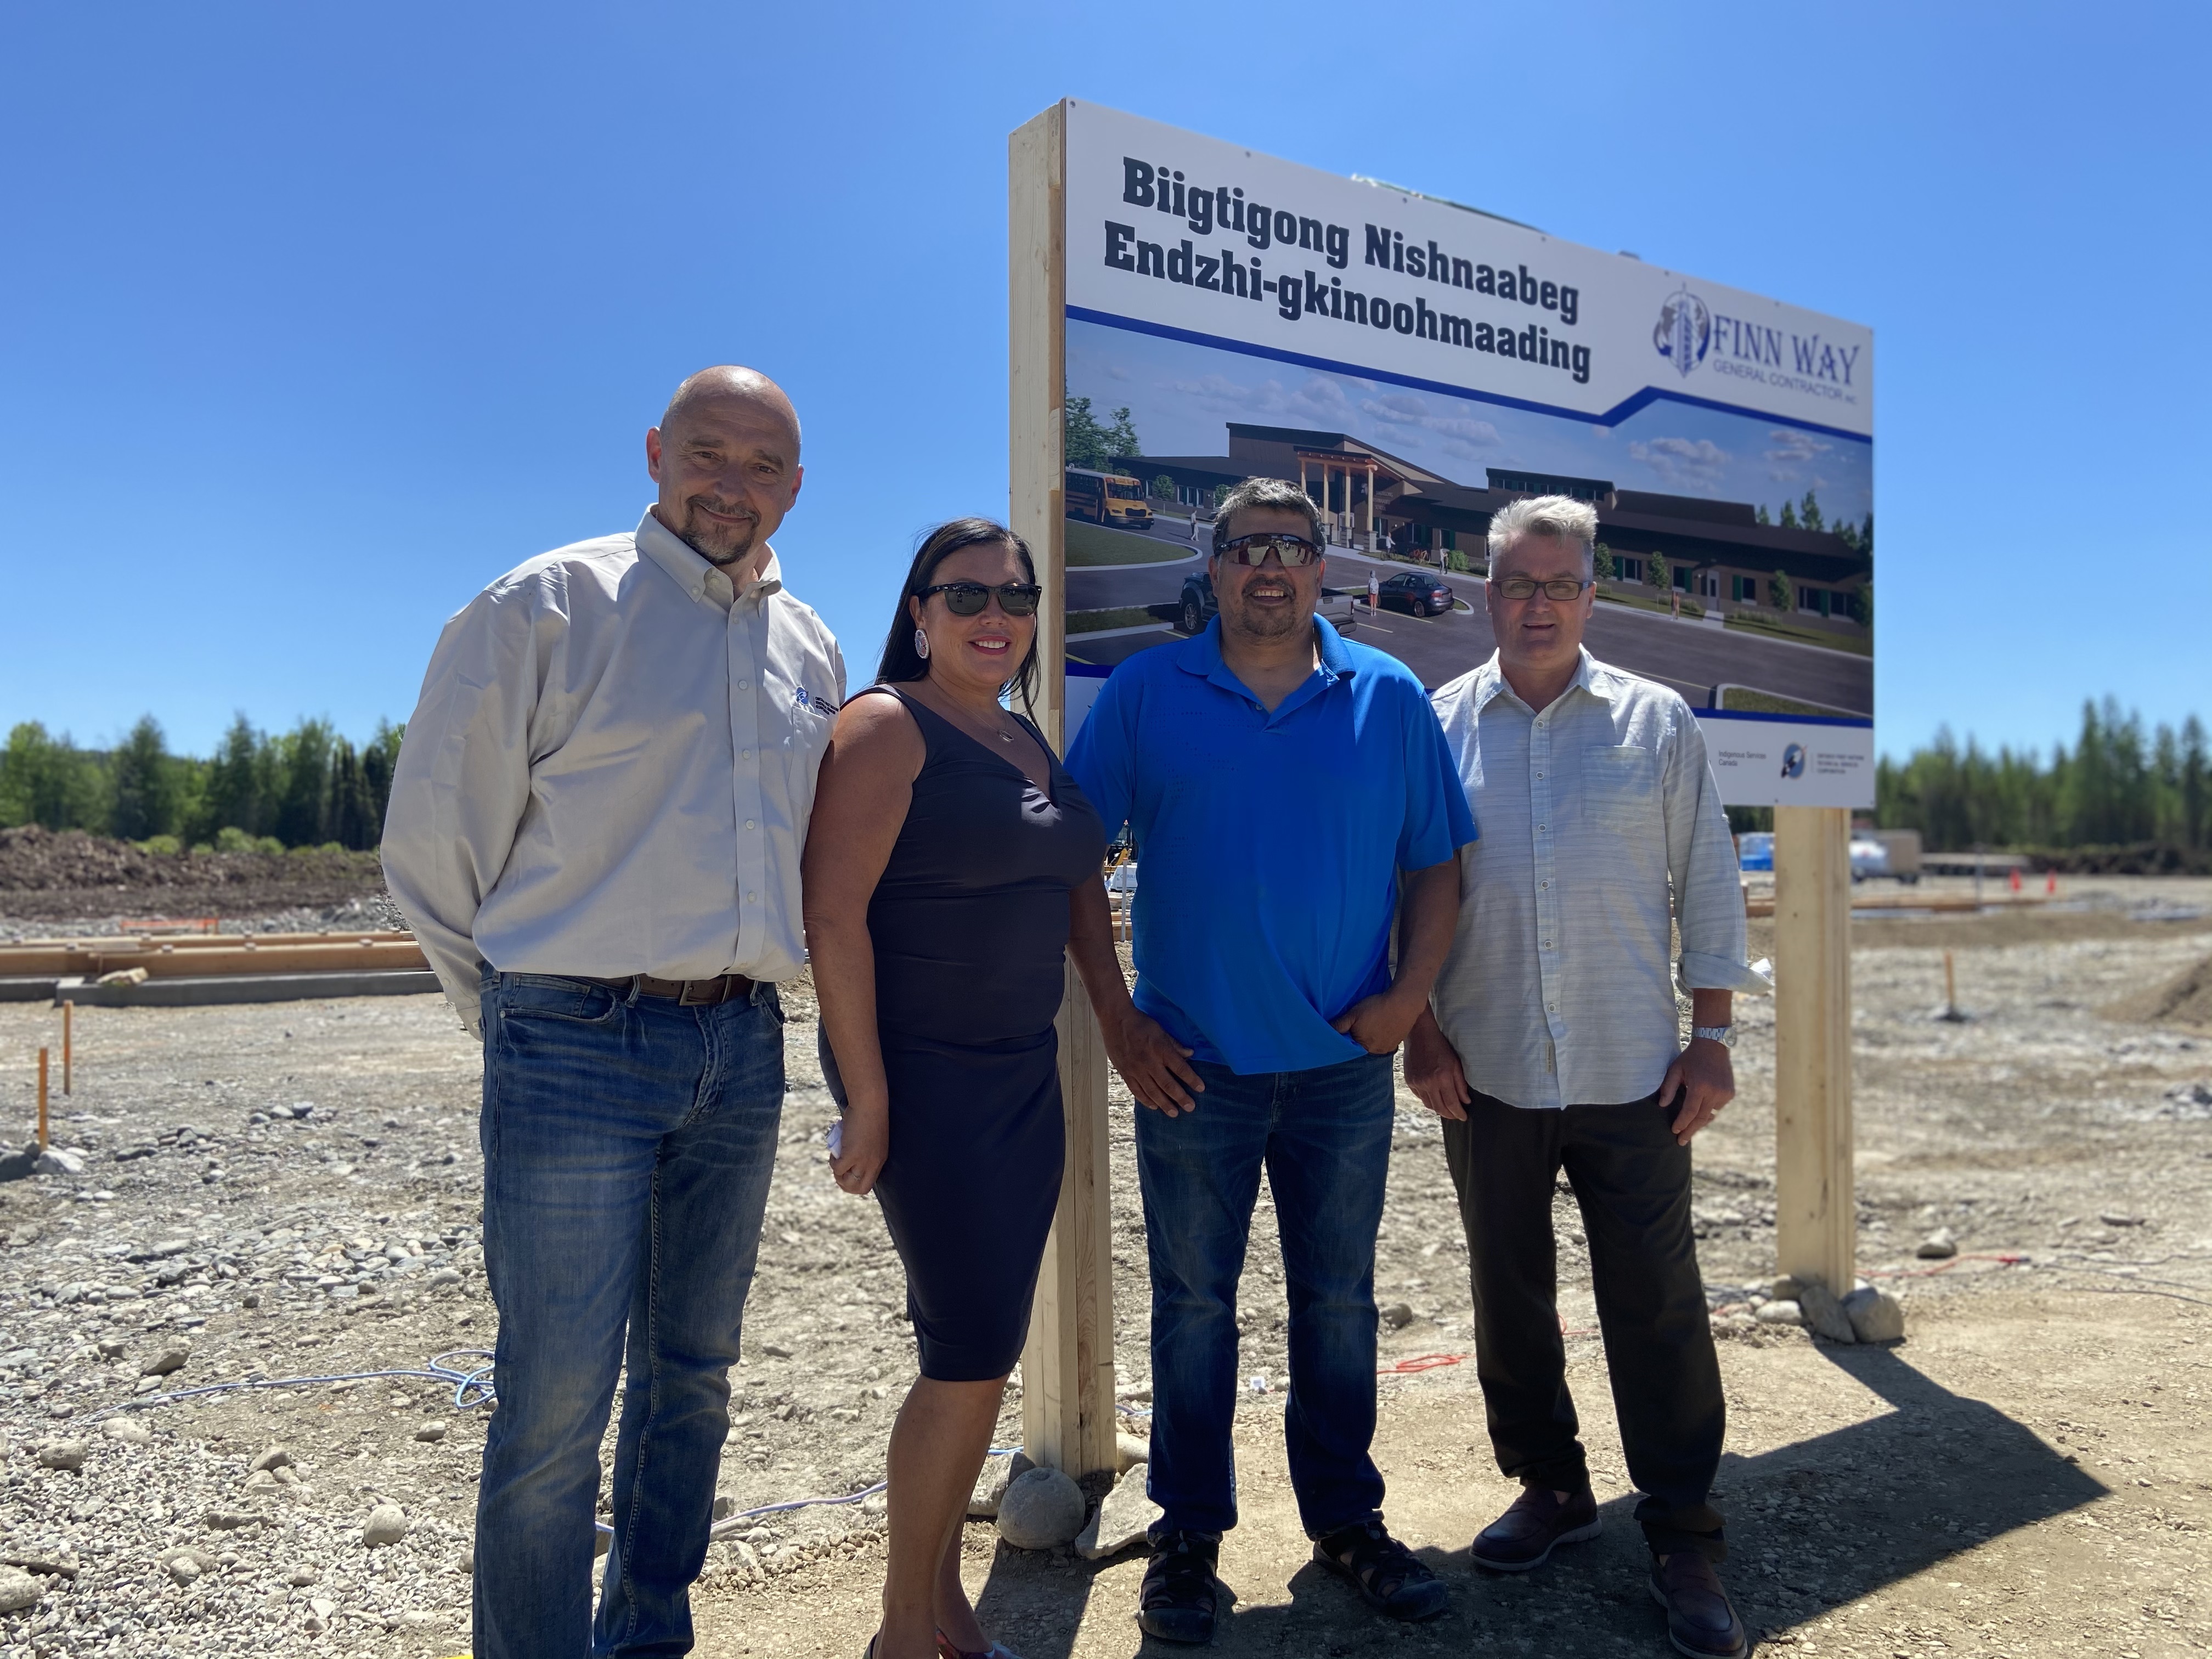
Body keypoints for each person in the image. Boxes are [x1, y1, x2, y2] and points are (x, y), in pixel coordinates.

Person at [381, 366, 842, 1659]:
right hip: (572, 1044)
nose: (732, 485)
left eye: (764, 466)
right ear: (654, 453)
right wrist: (519, 1010)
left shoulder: (807, 646)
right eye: (709, 453)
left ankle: (649, 1632)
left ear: (796, 491)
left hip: (742, 1046)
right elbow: (432, 846)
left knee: (692, 1383)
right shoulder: (547, 606)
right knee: (555, 1405)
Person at [1064, 475, 1478, 1644]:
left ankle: (1346, 1522)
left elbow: (1438, 865)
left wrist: (1408, 1002)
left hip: (1342, 1069)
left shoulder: (1388, 695)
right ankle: (1188, 1537)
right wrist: (1116, 1018)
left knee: (1338, 1305)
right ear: (1215, 565)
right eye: (1248, 548)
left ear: (1321, 567)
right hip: (1189, 1066)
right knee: (1193, 1308)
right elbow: (1072, 861)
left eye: (1292, 548)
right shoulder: (1149, 692)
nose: (1270, 569)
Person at [1407, 495, 1768, 1659]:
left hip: (1633, 1070)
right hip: (1491, 1068)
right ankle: (1553, 1488)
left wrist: (1712, 1031)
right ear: (1486, 594)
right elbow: (1410, 895)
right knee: (1510, 1300)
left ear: (1591, 597)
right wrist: (1420, 1029)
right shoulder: (1440, 726)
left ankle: (1681, 1526)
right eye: (1519, 582)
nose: (1540, 603)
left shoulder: (1658, 724)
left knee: (1656, 1305)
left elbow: (1708, 884)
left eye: (1561, 584)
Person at [803, 518, 1107, 1659]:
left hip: (1020, 1076)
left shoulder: (1027, 738)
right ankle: (900, 1633)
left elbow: (1074, 884)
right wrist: (869, 1096)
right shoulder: (885, 726)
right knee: (967, 1355)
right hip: (929, 1087)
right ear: (919, 611)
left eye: (1014, 597)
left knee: (979, 1350)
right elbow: (832, 919)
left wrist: (1118, 1016)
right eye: (965, 594)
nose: (996, 616)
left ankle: (947, 1614)